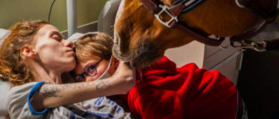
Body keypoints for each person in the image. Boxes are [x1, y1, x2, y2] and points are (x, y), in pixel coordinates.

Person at [73, 32, 248, 119]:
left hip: (224, 105)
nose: (87, 81)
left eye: (90, 69)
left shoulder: (141, 93)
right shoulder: (139, 64)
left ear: (115, 60)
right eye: (80, 77)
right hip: (217, 86)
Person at [0, 20, 135, 119]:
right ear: (29, 51)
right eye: (56, 38)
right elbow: (124, 80)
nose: (69, 42)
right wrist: (126, 41)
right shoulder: (19, 97)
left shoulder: (80, 89)